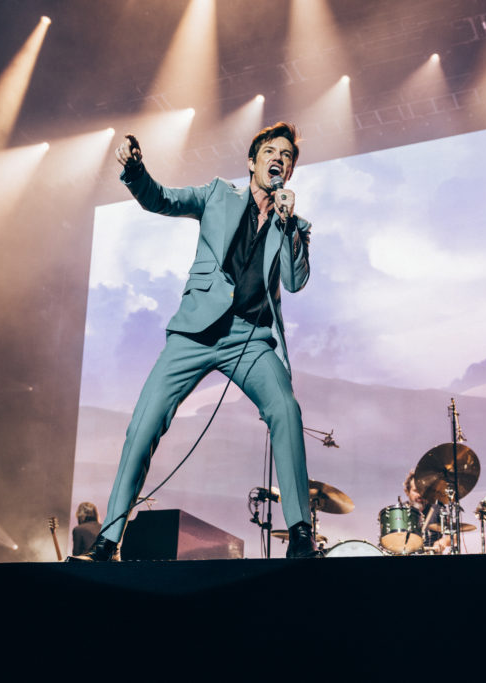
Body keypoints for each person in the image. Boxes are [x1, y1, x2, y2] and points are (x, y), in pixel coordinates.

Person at [71, 122, 317, 561]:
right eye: (270, 152)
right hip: (195, 333)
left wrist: (289, 225)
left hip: (249, 339)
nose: (278, 159)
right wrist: (135, 171)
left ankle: (300, 534)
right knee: (143, 425)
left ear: (290, 170)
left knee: (286, 410)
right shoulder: (218, 194)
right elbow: (162, 199)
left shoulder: (292, 223)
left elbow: (296, 281)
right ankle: (108, 541)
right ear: (252, 162)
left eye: (286, 156)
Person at [404, 472, 452, 555]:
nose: (420, 494)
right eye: (416, 491)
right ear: (407, 491)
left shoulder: (437, 508)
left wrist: (443, 541)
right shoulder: (401, 511)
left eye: (422, 490)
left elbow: (453, 535)